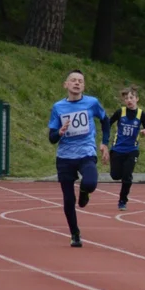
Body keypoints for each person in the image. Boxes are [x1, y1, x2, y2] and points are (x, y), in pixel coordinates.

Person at [47, 69, 111, 247]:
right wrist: (59, 133)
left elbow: (106, 121)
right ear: (66, 84)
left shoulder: (92, 103)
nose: (76, 83)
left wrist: (105, 143)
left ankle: (84, 192)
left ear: (83, 86)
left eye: (80, 81)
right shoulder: (58, 107)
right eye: (73, 80)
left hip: (86, 152)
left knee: (90, 183)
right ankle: (75, 233)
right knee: (68, 199)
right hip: (65, 156)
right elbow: (52, 138)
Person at [108, 85, 145, 210]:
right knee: (115, 176)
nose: (129, 100)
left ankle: (123, 200)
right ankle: (120, 171)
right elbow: (109, 123)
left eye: (131, 98)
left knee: (127, 177)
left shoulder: (141, 114)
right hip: (117, 149)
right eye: (126, 98)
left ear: (137, 99)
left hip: (132, 150)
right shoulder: (120, 112)